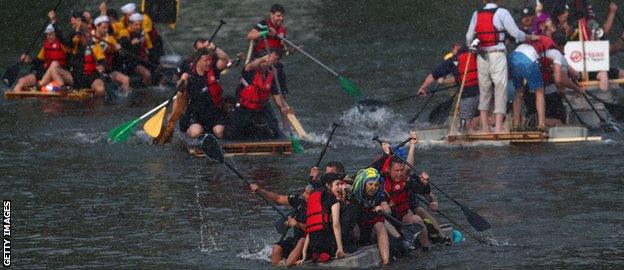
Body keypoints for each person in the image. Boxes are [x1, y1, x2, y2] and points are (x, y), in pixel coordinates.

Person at [466, 0, 535, 133]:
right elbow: (516, 34)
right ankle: (497, 128)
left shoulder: (476, 14)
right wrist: (528, 37)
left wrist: (471, 47)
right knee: (500, 90)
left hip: (482, 55)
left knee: (484, 90)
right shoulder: (502, 12)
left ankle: (485, 127)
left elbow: (469, 36)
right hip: (497, 54)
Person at [375, 132, 444, 251]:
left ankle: (427, 247)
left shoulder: (408, 180)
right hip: (388, 218)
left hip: (404, 214)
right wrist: (386, 154)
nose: (400, 173)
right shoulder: (380, 179)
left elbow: (424, 191)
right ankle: (401, 239)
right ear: (389, 169)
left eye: (402, 170)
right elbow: (377, 169)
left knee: (418, 215)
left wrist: (425, 184)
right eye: (397, 170)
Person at [509, 20, 583, 131]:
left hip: (513, 56)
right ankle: (541, 124)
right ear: (562, 46)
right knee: (540, 91)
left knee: (519, 91)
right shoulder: (556, 53)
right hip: (528, 59)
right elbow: (558, 79)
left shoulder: (544, 45)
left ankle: (516, 125)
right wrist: (575, 89)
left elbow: (570, 71)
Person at [156, 44, 229, 144]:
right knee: (196, 132)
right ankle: (190, 129)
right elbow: (179, 89)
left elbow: (224, 59)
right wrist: (182, 79)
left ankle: (209, 130)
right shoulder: (189, 76)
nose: (209, 63)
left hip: (213, 113)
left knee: (219, 132)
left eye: (209, 60)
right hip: (195, 114)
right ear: (197, 62)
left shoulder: (214, 71)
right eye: (205, 61)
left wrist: (215, 48)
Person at [223, 51, 290, 140]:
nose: (266, 64)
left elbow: (277, 97)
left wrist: (284, 107)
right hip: (244, 109)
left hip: (262, 109)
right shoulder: (249, 71)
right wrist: (263, 59)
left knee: (274, 131)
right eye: (263, 62)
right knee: (231, 134)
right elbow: (251, 65)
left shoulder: (271, 76)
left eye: (267, 62)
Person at [417, 42, 480, 133]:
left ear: (455, 48)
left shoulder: (453, 60)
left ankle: (464, 132)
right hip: (482, 91)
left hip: (467, 93)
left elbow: (432, 76)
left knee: (465, 115)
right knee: (478, 112)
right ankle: (477, 130)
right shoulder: (475, 55)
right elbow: (459, 77)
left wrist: (423, 88)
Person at [249, 183, 311, 266]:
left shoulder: (319, 207)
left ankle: (287, 264)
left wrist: (298, 225)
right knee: (277, 248)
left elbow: (316, 229)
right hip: (295, 240)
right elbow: (278, 198)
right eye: (304, 191)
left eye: (307, 193)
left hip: (308, 242)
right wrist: (259, 190)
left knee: (300, 243)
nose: (303, 194)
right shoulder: (300, 200)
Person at [12, 11, 72, 92]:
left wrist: (53, 20)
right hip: (46, 74)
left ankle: (42, 86)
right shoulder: (46, 45)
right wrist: (29, 60)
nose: (48, 36)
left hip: (60, 74)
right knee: (21, 81)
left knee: (54, 64)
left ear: (56, 34)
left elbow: (61, 35)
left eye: (51, 34)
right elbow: (38, 61)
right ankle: (16, 98)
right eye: (47, 34)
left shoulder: (63, 44)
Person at [297, 173, 346, 264]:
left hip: (314, 248)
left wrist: (304, 253)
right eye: (337, 184)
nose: (340, 187)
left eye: (341, 184)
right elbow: (336, 223)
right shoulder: (332, 198)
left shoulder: (314, 197)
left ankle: (318, 255)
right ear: (328, 185)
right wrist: (340, 248)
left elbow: (311, 228)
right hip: (327, 245)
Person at [350, 168, 391, 265]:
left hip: (370, 232)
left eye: (376, 185)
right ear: (363, 184)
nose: (373, 188)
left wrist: (382, 209)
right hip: (357, 231)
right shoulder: (354, 195)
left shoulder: (380, 195)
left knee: (380, 225)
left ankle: (386, 262)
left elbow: (388, 210)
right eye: (370, 184)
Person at [247, 3, 289, 94]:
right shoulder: (263, 24)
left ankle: (283, 103)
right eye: (278, 16)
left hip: (274, 61)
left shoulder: (282, 30)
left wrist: (292, 50)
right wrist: (266, 32)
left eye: (282, 16)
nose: (281, 18)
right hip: (261, 59)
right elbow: (250, 36)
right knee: (272, 71)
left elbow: (283, 51)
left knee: (279, 72)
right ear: (271, 15)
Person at [92, 15, 131, 93]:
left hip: (108, 70)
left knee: (126, 79)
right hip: (94, 72)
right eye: (104, 28)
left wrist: (119, 48)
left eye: (107, 28)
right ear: (97, 27)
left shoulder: (110, 39)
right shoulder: (89, 37)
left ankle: (124, 102)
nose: (106, 30)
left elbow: (121, 52)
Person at [71, 25, 108, 96]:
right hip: (77, 77)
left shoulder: (95, 46)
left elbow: (102, 61)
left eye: (89, 37)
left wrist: (102, 67)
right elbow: (65, 40)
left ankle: (98, 102)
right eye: (86, 37)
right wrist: (76, 31)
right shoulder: (74, 45)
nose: (88, 39)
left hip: (92, 77)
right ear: (80, 37)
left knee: (101, 89)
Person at [117, 13, 152, 85]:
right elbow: (123, 45)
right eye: (136, 25)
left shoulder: (142, 32)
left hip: (139, 58)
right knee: (147, 74)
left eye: (140, 25)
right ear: (130, 24)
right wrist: (131, 43)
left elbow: (149, 47)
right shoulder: (124, 32)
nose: (138, 27)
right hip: (128, 61)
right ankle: (144, 89)